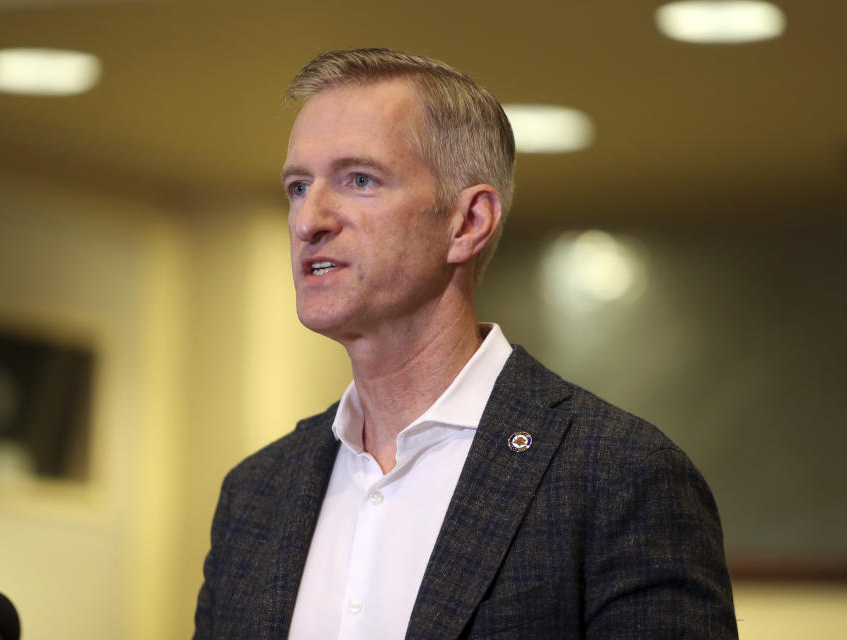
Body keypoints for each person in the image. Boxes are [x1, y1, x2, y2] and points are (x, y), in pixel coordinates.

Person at [194, 48, 737, 639]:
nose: (308, 221)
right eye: (298, 187)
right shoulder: (255, 495)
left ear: (468, 222)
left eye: (359, 180)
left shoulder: (619, 476)